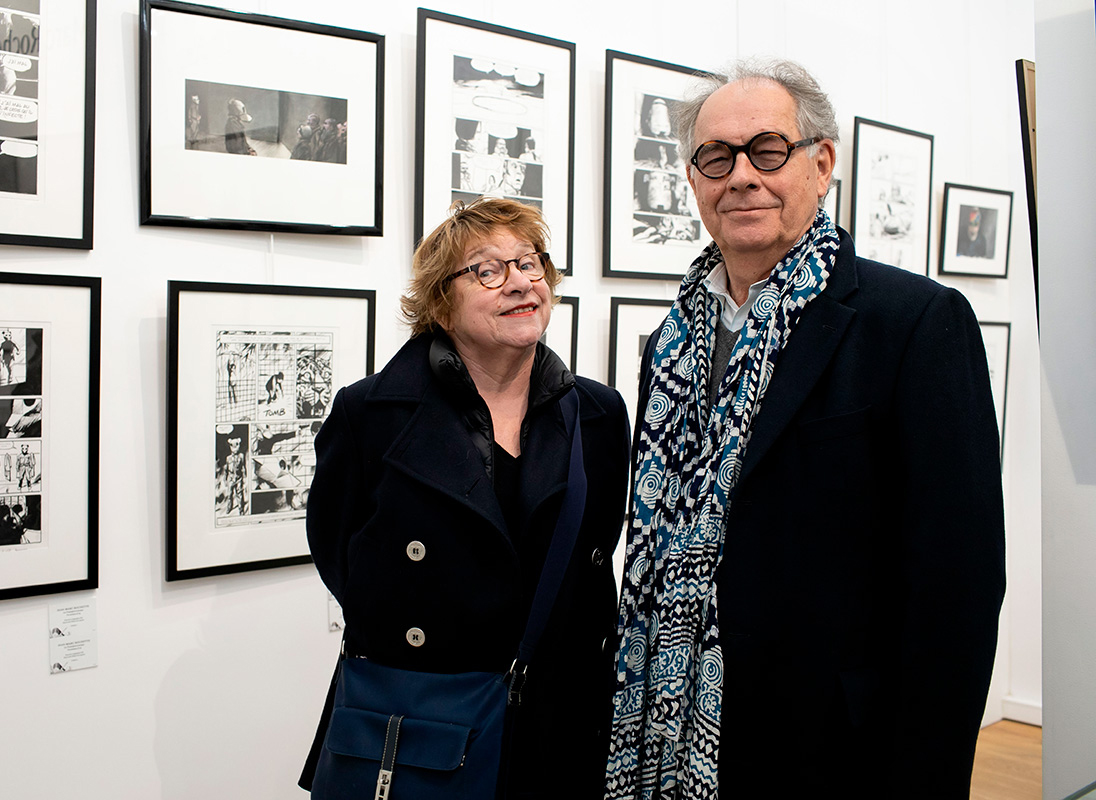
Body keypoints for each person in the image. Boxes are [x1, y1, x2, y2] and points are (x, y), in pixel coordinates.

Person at [606, 60, 1005, 799]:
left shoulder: (913, 323)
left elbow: (959, 587)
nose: (741, 177)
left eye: (767, 150)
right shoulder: (669, 343)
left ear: (821, 165)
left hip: (835, 749)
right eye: (716, 157)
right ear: (692, 180)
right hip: (677, 732)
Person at [300, 197, 631, 798]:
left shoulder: (598, 412)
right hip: (428, 715)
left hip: (562, 721)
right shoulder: (369, 415)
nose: (521, 282)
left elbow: (593, 556)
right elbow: (339, 554)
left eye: (529, 263)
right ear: (440, 305)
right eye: (488, 270)